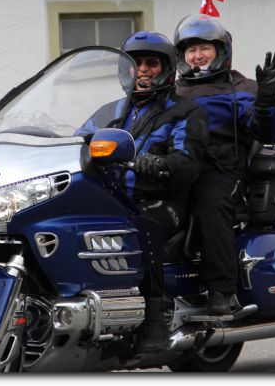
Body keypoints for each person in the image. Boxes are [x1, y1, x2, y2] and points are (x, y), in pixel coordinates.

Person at [77, 31, 209, 352]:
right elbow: (78, 142)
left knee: (140, 228)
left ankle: (154, 315)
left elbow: (188, 162)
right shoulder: (109, 112)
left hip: (163, 202)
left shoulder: (185, 112)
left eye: (152, 63)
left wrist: (160, 164)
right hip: (112, 201)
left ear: (167, 69)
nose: (144, 70)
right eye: (136, 63)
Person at [173, 14, 275, 315]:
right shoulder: (171, 91)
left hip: (221, 169)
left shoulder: (242, 88)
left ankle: (221, 289)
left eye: (204, 48)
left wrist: (266, 100)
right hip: (176, 166)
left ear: (221, 51)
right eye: (190, 50)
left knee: (210, 203)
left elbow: (267, 131)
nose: (197, 56)